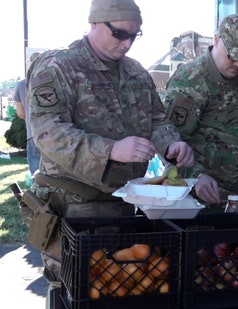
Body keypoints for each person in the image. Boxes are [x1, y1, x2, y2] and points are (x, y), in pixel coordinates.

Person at [26, 0, 194, 294]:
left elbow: (157, 119)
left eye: (134, 35)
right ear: (94, 23)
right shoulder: (58, 66)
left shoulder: (136, 72)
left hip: (124, 206)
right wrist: (111, 150)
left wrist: (171, 144)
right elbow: (47, 132)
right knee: (73, 292)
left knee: (119, 288)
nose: (127, 43)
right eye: (119, 34)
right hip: (75, 208)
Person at [164, 13, 238, 206]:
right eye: (233, 56)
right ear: (217, 40)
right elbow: (169, 142)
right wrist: (196, 176)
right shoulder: (190, 81)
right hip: (193, 195)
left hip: (233, 193)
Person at [14, 52, 43, 176]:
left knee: (36, 174)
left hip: (33, 133)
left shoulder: (21, 84)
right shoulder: (55, 80)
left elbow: (21, 113)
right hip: (56, 134)